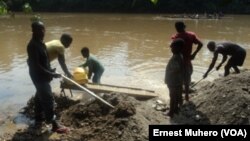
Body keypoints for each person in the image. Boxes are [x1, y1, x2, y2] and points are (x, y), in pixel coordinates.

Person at [27, 21, 69, 133]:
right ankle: (54, 124)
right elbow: (36, 65)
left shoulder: (41, 43)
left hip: (43, 74)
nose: (42, 32)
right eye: (39, 29)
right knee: (48, 98)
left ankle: (38, 118)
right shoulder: (32, 46)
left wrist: (50, 70)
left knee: (39, 95)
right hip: (38, 76)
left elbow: (45, 61)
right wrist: (50, 74)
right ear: (33, 31)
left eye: (43, 29)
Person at [171, 21, 203, 100]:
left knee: (177, 78)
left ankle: (180, 96)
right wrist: (194, 54)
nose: (177, 29)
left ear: (177, 28)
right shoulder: (191, 35)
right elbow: (201, 44)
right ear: (184, 27)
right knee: (187, 78)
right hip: (187, 60)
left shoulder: (176, 37)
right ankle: (186, 96)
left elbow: (172, 48)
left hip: (177, 61)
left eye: (177, 28)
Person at [165, 38, 186, 118]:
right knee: (177, 95)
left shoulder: (176, 57)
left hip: (173, 81)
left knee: (172, 96)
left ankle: (171, 112)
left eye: (173, 47)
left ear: (179, 48)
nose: (171, 49)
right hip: (178, 80)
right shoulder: (180, 55)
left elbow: (176, 69)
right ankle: (176, 108)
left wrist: (169, 73)